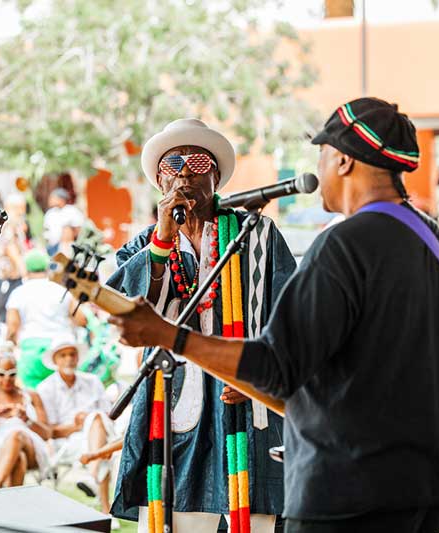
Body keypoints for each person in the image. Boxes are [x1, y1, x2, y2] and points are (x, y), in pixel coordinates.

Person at [110, 98, 439, 532]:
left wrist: (170, 336)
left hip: (348, 486)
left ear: (341, 161)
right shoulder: (434, 239)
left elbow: (278, 367)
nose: (316, 169)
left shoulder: (342, 244)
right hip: (425, 483)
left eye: (320, 154)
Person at [104, 118, 295, 532]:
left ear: (216, 176)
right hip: (172, 398)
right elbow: (125, 310)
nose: (185, 172)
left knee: (256, 515)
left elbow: (291, 316)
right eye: (173, 165)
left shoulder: (255, 234)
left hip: (245, 396)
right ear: (159, 181)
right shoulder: (145, 243)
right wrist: (162, 238)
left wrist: (260, 372)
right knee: (178, 510)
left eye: (196, 161)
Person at [36, 339, 114, 515]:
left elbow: (108, 417)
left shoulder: (93, 381)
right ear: (55, 360)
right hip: (66, 443)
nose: (69, 359)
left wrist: (89, 421)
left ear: (78, 358)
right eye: (63, 355)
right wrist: (78, 425)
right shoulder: (46, 388)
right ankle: (105, 508)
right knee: (101, 441)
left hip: (99, 437)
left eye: (72, 354)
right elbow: (49, 431)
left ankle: (92, 477)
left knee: (97, 422)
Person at [5, 249, 86, 389]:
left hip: (31, 352)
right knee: (63, 394)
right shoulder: (62, 291)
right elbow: (81, 320)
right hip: (61, 351)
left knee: (34, 398)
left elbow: (12, 326)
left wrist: (9, 345)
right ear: (48, 267)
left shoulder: (18, 293)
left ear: (26, 269)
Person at [0, 355, 51, 489]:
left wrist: (27, 419)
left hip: (31, 446)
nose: (7, 379)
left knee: (16, 434)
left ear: (17, 373)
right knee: (19, 459)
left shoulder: (31, 395)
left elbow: (47, 434)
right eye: (2, 374)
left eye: (12, 374)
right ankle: (10, 504)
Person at [0, 193, 30, 322]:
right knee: (4, 312)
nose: (23, 211)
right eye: (21, 207)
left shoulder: (15, 222)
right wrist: (23, 268)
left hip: (12, 274)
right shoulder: (10, 222)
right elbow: (9, 247)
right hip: (6, 275)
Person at [43, 188, 84, 256]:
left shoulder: (72, 211)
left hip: (68, 246)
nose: (50, 200)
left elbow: (78, 230)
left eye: (53, 198)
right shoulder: (50, 213)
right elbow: (46, 230)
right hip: (52, 247)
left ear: (61, 199)